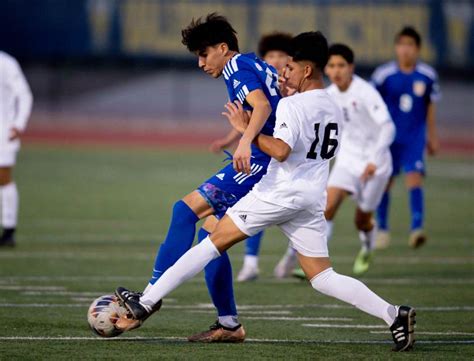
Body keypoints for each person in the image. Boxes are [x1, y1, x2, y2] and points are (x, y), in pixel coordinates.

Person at [116, 31, 416, 353]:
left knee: (211, 242)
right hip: (312, 197)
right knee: (323, 277)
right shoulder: (332, 105)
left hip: (280, 192)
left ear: (307, 70)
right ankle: (393, 314)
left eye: (290, 67)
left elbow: (282, 150)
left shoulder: (292, 105)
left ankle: (146, 302)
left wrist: (246, 131)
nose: (283, 73)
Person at [122, 13, 281, 342]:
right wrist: (235, 137)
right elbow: (263, 111)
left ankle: (149, 296)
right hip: (268, 160)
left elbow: (262, 107)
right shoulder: (251, 64)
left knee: (185, 210)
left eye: (204, 53)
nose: (200, 63)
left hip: (262, 163)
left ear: (223, 48)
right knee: (211, 241)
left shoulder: (237, 67)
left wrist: (246, 142)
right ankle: (229, 324)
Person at [282, 43, 395, 278]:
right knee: (328, 207)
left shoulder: (366, 92)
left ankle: (367, 247)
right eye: (331, 65)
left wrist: (374, 160)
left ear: (351, 67)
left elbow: (387, 127)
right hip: (347, 161)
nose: (336, 71)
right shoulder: (328, 95)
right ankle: (315, 262)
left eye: (341, 65)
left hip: (376, 164)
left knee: (362, 219)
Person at [208, 32, 293, 282]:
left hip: (284, 159)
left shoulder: (293, 90)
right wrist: (230, 140)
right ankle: (251, 263)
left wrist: (245, 139)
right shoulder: (262, 79)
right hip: (265, 154)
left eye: (281, 56)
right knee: (249, 211)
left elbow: (261, 115)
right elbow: (249, 120)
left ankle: (290, 257)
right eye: (271, 56)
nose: (276, 60)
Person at [372, 26, 441, 249]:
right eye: (401, 44)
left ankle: (416, 228)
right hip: (389, 138)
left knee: (414, 178)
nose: (405, 50)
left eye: (410, 45)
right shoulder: (384, 75)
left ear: (418, 49)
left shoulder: (427, 75)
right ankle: (382, 229)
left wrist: (432, 135)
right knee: (386, 182)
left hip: (414, 137)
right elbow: (372, 105)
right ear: (396, 47)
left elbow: (430, 107)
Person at [0, 51, 33, 247]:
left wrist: (19, 124)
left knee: (3, 178)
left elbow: (24, 95)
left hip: (3, 132)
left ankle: (9, 230)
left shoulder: (6, 63)